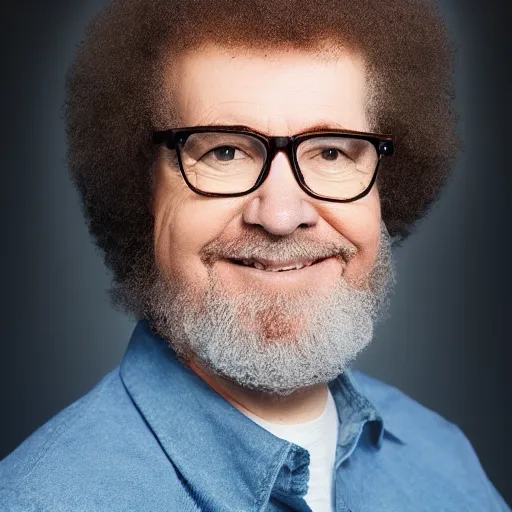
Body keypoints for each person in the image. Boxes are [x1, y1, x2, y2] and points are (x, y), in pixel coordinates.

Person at [0, 0, 509, 510]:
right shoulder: (41, 499)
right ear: (142, 191)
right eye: (225, 152)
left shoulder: (444, 462)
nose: (281, 215)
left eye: (331, 151)